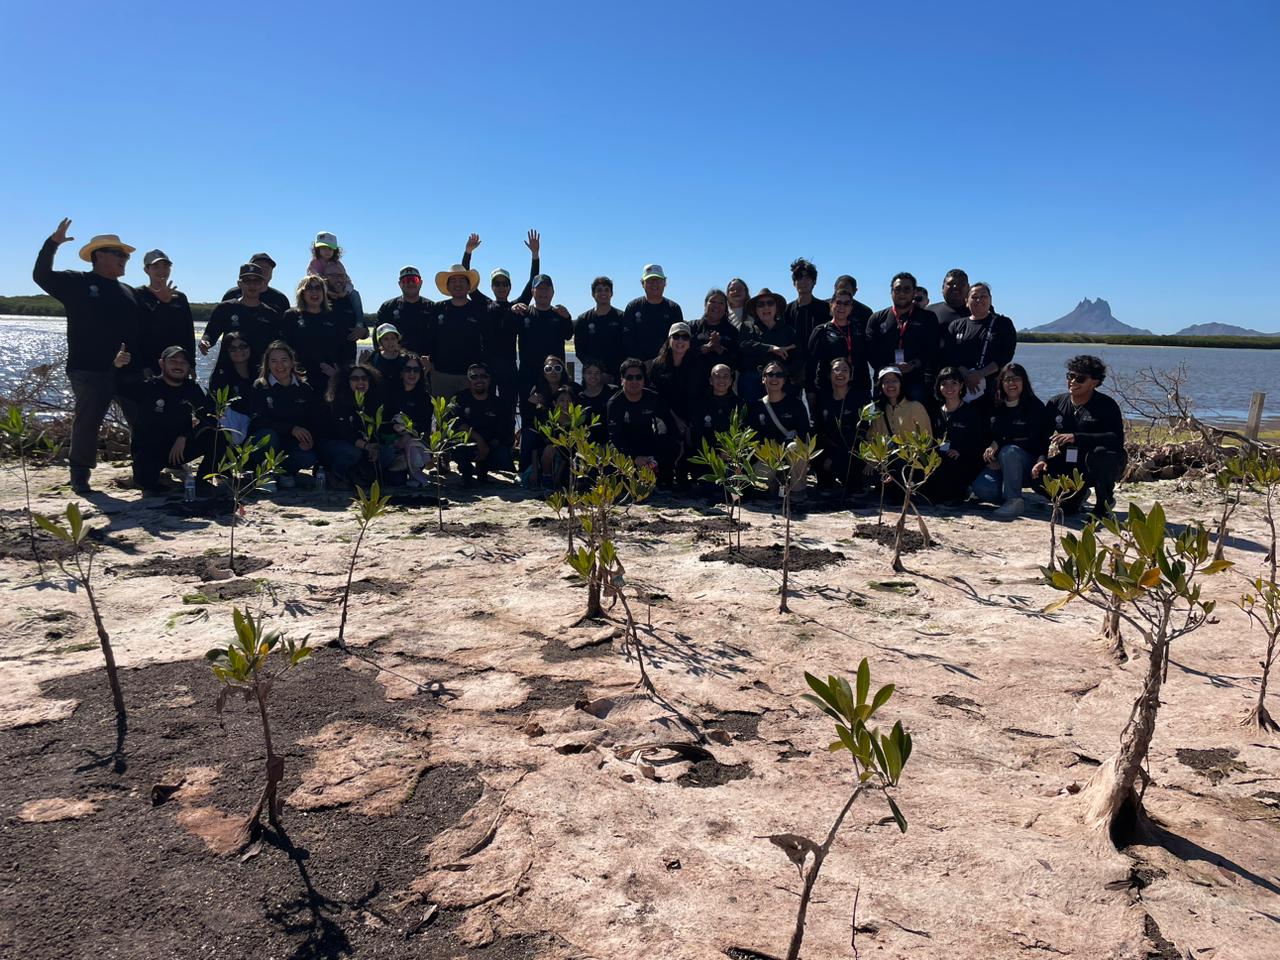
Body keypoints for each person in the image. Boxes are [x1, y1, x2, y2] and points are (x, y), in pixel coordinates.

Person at [33, 219, 141, 493]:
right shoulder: (78, 283)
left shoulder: (128, 292)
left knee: (142, 419)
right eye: (120, 254)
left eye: (126, 255)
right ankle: (79, 475)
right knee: (88, 422)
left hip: (126, 370)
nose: (125, 259)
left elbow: (139, 332)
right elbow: (42, 276)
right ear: (99, 256)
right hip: (88, 368)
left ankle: (146, 468)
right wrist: (52, 244)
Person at [1033, 355, 1127, 518]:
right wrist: (1041, 459)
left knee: (1102, 454)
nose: (1073, 382)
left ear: (1094, 382)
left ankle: (1104, 503)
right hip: (1068, 464)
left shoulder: (1106, 405)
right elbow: (1042, 435)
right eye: (1070, 376)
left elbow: (1115, 439)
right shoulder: (1056, 403)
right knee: (1035, 474)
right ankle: (1075, 498)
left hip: (1094, 463)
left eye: (1080, 378)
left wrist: (1077, 437)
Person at [114, 345, 215, 495]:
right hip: (150, 451)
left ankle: (202, 481)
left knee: (218, 435)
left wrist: (186, 436)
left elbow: (209, 416)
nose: (178, 366)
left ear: (188, 367)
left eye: (183, 363)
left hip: (178, 450)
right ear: (162, 363)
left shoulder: (191, 388)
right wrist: (117, 366)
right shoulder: (149, 387)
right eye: (173, 361)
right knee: (147, 484)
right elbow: (117, 387)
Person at [461, 231, 539, 412]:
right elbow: (468, 280)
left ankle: (509, 440)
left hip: (509, 369)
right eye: (497, 284)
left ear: (510, 287)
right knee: (484, 407)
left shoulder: (518, 306)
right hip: (486, 368)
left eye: (505, 284)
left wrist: (535, 256)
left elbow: (532, 283)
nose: (501, 287)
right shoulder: (483, 304)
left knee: (508, 409)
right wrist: (468, 252)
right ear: (492, 287)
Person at [971, 362, 1049, 517]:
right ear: (1001, 383)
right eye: (1007, 380)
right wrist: (992, 458)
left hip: (1027, 465)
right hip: (1000, 464)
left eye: (1016, 379)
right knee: (983, 489)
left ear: (1024, 382)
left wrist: (1000, 445)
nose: (1011, 383)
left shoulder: (1035, 406)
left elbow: (1036, 440)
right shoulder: (995, 405)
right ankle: (1008, 495)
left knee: (1009, 451)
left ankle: (1014, 501)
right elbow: (987, 436)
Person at [244, 341, 326, 487]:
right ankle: (264, 474)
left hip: (290, 443)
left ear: (292, 362)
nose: (279, 366)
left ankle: (285, 472)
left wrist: (308, 439)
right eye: (274, 361)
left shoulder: (304, 388)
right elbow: (257, 421)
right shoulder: (260, 386)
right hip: (265, 440)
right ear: (267, 364)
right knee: (269, 436)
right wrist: (291, 429)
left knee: (308, 457)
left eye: (284, 360)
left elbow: (313, 420)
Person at [943, 281, 1018, 411]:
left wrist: (981, 374)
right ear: (966, 301)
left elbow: (1006, 355)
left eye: (983, 296)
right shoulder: (956, 326)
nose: (979, 300)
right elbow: (949, 355)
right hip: (961, 389)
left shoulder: (1003, 323)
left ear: (990, 300)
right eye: (974, 297)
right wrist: (966, 374)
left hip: (991, 389)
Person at [867, 272, 938, 404]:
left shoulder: (928, 318)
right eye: (897, 289)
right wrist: (888, 369)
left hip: (915, 381)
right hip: (884, 381)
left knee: (915, 423)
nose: (902, 293)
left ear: (914, 292)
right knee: (881, 422)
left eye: (907, 289)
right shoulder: (877, 318)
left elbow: (932, 349)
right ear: (891, 292)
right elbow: (870, 351)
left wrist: (912, 365)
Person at [649, 322, 705, 488]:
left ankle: (685, 475)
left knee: (693, 441)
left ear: (689, 341)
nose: (680, 341)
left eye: (685, 337)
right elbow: (656, 396)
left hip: (691, 414)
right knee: (665, 438)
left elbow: (698, 396)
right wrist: (675, 419)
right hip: (665, 413)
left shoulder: (697, 364)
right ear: (669, 340)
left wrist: (689, 423)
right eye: (676, 336)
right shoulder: (658, 365)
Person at [201, 262, 289, 368]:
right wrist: (205, 341)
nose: (252, 285)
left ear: (262, 284)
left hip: (258, 373)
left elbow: (278, 345)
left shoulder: (271, 315)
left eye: (256, 281)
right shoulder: (224, 309)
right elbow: (210, 333)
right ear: (240, 284)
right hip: (227, 370)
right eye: (247, 281)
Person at [746, 361, 812, 500]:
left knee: (796, 447)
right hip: (769, 456)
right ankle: (775, 485)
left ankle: (797, 492)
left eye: (779, 374)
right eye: (770, 374)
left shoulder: (796, 404)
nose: (774, 378)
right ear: (763, 378)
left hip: (790, 453)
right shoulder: (756, 407)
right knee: (759, 470)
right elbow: (752, 439)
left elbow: (804, 434)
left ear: (784, 379)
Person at [512, 274, 573, 421]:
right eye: (539, 289)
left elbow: (569, 334)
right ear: (532, 292)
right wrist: (512, 308)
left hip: (554, 375)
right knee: (528, 417)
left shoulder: (559, 315)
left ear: (552, 292)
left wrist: (567, 317)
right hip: (528, 376)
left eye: (547, 289)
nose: (543, 292)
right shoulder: (523, 313)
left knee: (558, 417)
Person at [320, 362, 389, 489]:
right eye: (355, 379)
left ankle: (357, 474)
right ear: (347, 381)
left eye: (364, 378)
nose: (360, 382)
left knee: (386, 453)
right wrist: (367, 446)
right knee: (352, 452)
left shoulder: (374, 401)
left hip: (363, 444)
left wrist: (374, 447)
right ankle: (334, 474)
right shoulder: (336, 401)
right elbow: (344, 433)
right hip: (335, 443)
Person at [925, 367, 988, 506]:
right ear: (938, 387)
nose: (949, 387)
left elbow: (978, 442)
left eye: (953, 383)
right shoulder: (935, 413)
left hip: (962, 460)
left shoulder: (971, 413)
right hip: (939, 459)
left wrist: (961, 451)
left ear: (961, 386)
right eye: (944, 383)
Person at [607, 359, 676, 481]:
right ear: (622, 380)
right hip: (624, 446)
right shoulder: (615, 403)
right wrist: (635, 457)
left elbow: (668, 424)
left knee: (671, 445)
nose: (634, 381)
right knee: (613, 453)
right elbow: (615, 437)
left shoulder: (653, 398)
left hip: (647, 442)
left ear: (644, 380)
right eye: (629, 377)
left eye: (638, 377)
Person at [430, 263, 489, 399]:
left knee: (471, 418)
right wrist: (431, 367)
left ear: (469, 286)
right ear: (448, 286)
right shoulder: (438, 308)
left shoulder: (479, 309)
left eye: (462, 280)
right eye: (453, 281)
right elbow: (430, 338)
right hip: (441, 374)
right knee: (443, 417)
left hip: (470, 376)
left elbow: (487, 340)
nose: (458, 284)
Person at [450, 363, 515, 484]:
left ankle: (483, 469)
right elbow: (455, 422)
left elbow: (504, 430)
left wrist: (487, 448)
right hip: (466, 442)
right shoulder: (459, 399)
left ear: (489, 379)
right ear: (468, 380)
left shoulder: (498, 403)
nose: (479, 380)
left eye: (483, 376)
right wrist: (479, 441)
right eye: (474, 377)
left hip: (490, 444)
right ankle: (466, 471)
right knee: (456, 448)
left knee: (504, 459)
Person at [135, 249, 195, 380]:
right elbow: (135, 334)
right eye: (156, 266)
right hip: (149, 365)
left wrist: (192, 365)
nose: (161, 270)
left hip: (177, 365)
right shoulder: (138, 295)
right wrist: (142, 365)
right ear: (146, 270)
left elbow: (189, 333)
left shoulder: (180, 298)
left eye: (166, 266)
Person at [806, 288, 871, 407]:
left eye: (846, 303)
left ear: (851, 307)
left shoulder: (859, 330)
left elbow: (865, 359)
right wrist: (810, 390)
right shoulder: (821, 330)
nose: (842, 307)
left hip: (857, 388)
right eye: (838, 302)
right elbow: (811, 363)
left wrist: (867, 388)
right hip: (828, 389)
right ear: (831, 304)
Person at [284, 275, 354, 383]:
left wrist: (339, 372)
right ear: (302, 293)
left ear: (324, 292)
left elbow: (345, 348)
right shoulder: (291, 316)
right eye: (309, 288)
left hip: (329, 377)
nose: (314, 292)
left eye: (318, 288)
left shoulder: (335, 317)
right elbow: (284, 347)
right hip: (299, 377)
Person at [812, 358, 866, 494]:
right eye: (836, 369)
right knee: (825, 486)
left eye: (845, 370)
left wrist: (835, 457)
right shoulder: (822, 398)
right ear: (829, 374)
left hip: (851, 450)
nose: (840, 373)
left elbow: (862, 431)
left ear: (851, 375)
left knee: (853, 486)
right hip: (828, 448)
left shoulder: (860, 398)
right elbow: (817, 428)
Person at [521, 354, 579, 471]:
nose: (553, 372)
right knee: (528, 433)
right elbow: (530, 416)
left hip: (567, 428)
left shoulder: (573, 388)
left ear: (563, 371)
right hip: (545, 429)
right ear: (544, 373)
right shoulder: (538, 389)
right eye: (548, 369)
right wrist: (530, 402)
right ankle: (525, 470)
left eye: (557, 368)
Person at [385, 352, 434, 487]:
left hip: (413, 440)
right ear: (401, 372)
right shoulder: (388, 393)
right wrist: (393, 428)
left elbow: (424, 425)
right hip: (389, 442)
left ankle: (413, 471)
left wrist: (408, 433)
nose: (412, 373)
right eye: (408, 369)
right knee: (395, 482)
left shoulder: (424, 398)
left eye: (416, 370)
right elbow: (380, 421)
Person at [739, 288, 801, 386]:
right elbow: (745, 345)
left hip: (781, 383)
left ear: (776, 308)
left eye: (770, 303)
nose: (765, 307)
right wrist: (771, 348)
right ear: (756, 309)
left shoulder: (788, 330)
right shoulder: (747, 326)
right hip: (754, 383)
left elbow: (798, 357)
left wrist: (784, 374)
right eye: (760, 305)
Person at [622, 264, 684, 361]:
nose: (654, 284)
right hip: (638, 366)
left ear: (665, 283)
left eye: (658, 280)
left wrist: (658, 361)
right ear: (642, 283)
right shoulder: (633, 307)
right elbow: (627, 339)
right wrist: (643, 363)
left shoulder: (674, 308)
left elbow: (678, 339)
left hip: (666, 364)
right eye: (650, 281)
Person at [574, 276, 628, 378]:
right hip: (592, 377)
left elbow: (626, 347)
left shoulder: (622, 317)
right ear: (593, 294)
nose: (603, 293)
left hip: (616, 375)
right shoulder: (583, 319)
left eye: (606, 290)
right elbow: (580, 351)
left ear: (611, 293)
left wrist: (615, 373)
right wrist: (596, 373)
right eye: (599, 290)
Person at [376, 267, 435, 358]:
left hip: (425, 362)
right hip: (395, 361)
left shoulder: (432, 307)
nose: (410, 283)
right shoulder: (388, 307)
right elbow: (378, 337)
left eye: (414, 280)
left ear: (420, 283)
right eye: (406, 280)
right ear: (400, 284)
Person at [221, 252, 291, 315]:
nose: (263, 271)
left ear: (272, 273)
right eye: (259, 267)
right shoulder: (231, 295)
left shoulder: (280, 299)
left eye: (266, 268)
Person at [690, 288, 741, 373]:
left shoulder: (732, 331)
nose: (716, 306)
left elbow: (738, 362)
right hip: (695, 380)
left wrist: (719, 348)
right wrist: (702, 349)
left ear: (726, 308)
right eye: (712, 302)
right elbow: (681, 354)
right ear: (705, 304)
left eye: (721, 303)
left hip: (722, 383)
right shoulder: (692, 326)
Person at [784, 257, 830, 347]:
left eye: (807, 277)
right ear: (794, 283)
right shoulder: (786, 311)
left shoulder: (826, 309)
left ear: (814, 281)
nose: (803, 281)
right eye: (799, 277)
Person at [208, 334, 256, 402]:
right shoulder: (220, 378)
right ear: (227, 352)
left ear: (250, 348)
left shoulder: (260, 373)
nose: (238, 350)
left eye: (242, 346)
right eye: (233, 348)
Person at [578, 360, 615, 446]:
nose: (593, 376)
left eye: (597, 373)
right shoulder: (579, 397)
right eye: (589, 373)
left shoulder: (612, 392)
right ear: (583, 375)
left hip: (610, 444)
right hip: (588, 445)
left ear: (602, 374)